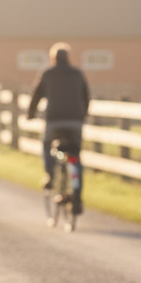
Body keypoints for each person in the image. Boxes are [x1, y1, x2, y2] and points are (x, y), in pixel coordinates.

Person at [26, 43, 90, 186]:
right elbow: (86, 97)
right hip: (75, 121)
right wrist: (83, 115)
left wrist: (30, 113)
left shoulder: (48, 73)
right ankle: (77, 194)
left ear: (53, 58)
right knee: (75, 154)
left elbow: (36, 95)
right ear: (68, 57)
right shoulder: (77, 73)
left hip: (54, 120)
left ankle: (50, 175)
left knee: (47, 144)